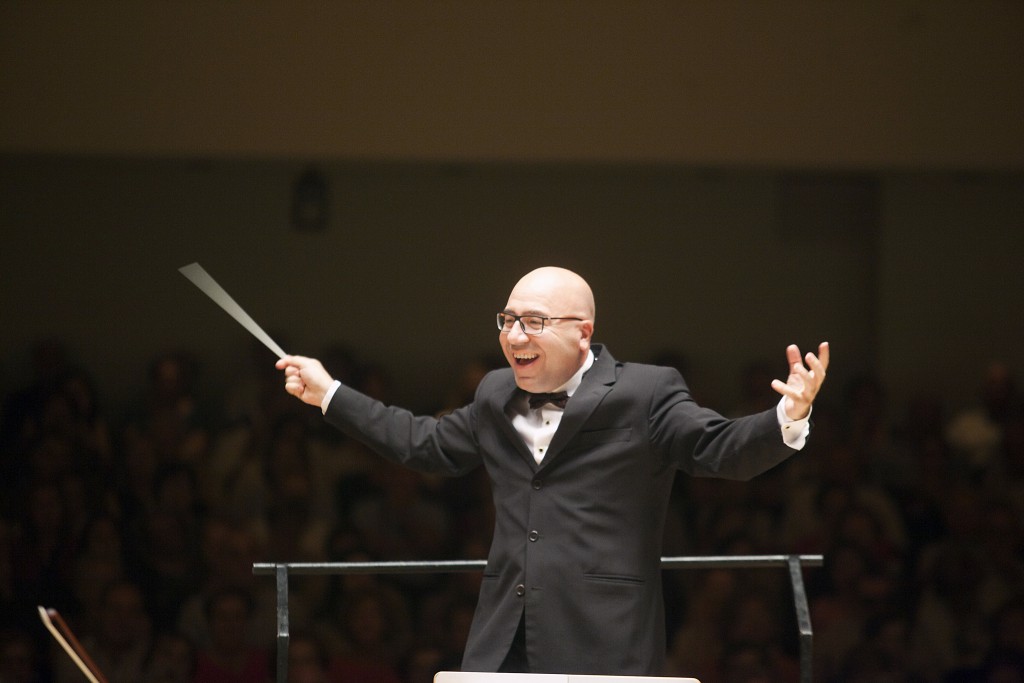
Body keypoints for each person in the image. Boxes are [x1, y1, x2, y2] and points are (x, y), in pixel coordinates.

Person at [275, 266, 829, 676]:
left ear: (583, 332)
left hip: (605, 638)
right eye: (508, 320)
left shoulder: (646, 391)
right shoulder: (495, 392)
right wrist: (330, 395)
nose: (515, 336)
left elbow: (719, 449)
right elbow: (426, 444)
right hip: (503, 639)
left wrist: (789, 414)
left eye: (533, 322)